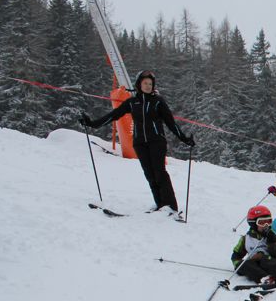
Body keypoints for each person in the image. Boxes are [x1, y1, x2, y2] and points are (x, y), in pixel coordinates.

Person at [80, 70, 195, 214]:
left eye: (150, 84)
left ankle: (170, 207)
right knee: (150, 174)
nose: (148, 86)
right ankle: (160, 205)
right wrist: (92, 124)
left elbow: (171, 123)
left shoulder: (158, 101)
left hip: (157, 141)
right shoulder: (132, 102)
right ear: (139, 84)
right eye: (145, 83)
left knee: (160, 173)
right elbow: (114, 115)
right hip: (139, 143)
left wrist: (185, 139)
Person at [231, 206, 276, 288]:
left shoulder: (272, 236)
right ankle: (266, 279)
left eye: (268, 221)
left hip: (272, 264)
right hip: (256, 266)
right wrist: (238, 265)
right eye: (262, 222)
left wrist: (271, 241)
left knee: (264, 259)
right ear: (253, 223)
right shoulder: (246, 239)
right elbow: (236, 256)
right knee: (244, 264)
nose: (266, 225)